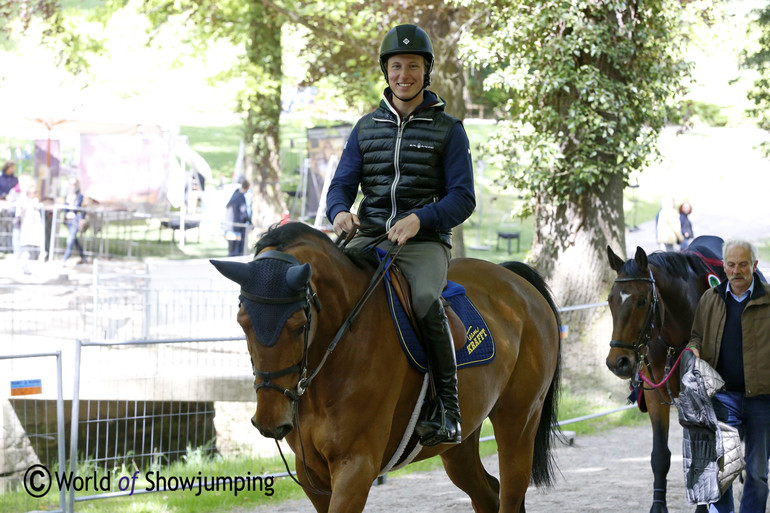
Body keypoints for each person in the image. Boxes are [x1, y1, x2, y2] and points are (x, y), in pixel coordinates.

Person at [325, 24, 476, 446]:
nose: (403, 74)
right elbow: (340, 187)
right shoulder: (365, 128)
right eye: (396, 66)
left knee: (427, 300)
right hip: (369, 237)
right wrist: (339, 213)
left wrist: (421, 219)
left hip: (424, 243)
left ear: (426, 72)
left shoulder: (450, 130)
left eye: (413, 66)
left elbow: (463, 199)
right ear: (385, 71)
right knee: (323, 290)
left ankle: (447, 409)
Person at [685, 239, 770, 513]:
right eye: (731, 264)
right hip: (723, 399)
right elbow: (696, 336)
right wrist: (694, 349)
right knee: (723, 471)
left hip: (762, 400)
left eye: (743, 264)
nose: (737, 271)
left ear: (754, 265)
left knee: (757, 473)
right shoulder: (711, 299)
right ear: (724, 266)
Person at [14, 175, 45, 273]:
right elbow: (19, 213)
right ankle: (25, 267)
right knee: (26, 249)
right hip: (27, 227)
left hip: (35, 227)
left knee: (35, 249)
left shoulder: (35, 201)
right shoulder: (23, 200)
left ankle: (31, 268)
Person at [62, 177, 87, 265]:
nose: (73, 186)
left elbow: (80, 208)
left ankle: (65, 258)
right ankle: (83, 257)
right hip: (68, 220)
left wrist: (82, 219)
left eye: (74, 184)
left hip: (75, 220)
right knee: (74, 239)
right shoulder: (67, 195)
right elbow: (64, 208)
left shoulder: (80, 195)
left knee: (70, 239)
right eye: (71, 184)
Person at [225, 177, 251, 257]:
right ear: (247, 187)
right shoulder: (240, 197)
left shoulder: (235, 194)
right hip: (237, 227)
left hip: (230, 225)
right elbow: (243, 212)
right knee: (236, 252)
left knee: (232, 250)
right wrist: (249, 222)